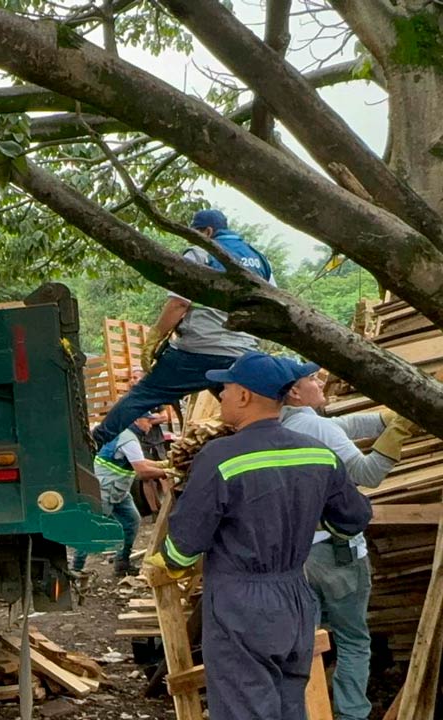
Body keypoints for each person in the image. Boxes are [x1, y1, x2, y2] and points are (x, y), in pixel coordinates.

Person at [147, 351, 372, 720]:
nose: (221, 395)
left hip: (241, 603)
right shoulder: (319, 454)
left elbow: (185, 542)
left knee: (244, 707)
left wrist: (169, 562)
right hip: (295, 599)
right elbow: (353, 518)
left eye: (227, 388)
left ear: (245, 396)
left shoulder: (220, 456)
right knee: (288, 705)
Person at [279, 361, 417, 720]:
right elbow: (367, 475)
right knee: (353, 640)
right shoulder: (315, 426)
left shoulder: (281, 425)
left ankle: (306, 711)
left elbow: (341, 426)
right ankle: (350, 715)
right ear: (294, 392)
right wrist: (398, 432)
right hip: (337, 553)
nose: (320, 378)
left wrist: (387, 418)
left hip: (296, 555)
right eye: (311, 378)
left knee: (304, 644)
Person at [92, 209, 275, 447]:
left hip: (197, 350)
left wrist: (155, 337)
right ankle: (266, 446)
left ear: (207, 232)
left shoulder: (199, 253)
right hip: (241, 353)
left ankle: (94, 442)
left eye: (195, 234)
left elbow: (179, 302)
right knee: (246, 409)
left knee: (144, 394)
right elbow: (271, 304)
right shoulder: (260, 259)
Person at [72, 414, 168, 577]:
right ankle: (75, 568)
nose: (150, 425)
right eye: (148, 421)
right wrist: (168, 472)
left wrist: (164, 464)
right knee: (93, 528)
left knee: (131, 521)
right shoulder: (128, 439)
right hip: (104, 490)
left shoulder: (126, 435)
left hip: (118, 491)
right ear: (136, 420)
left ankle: (122, 564)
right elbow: (142, 470)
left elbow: (140, 460)